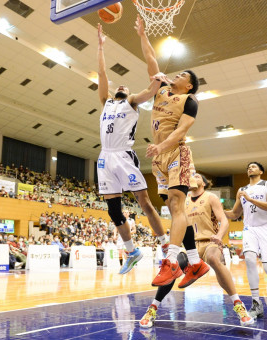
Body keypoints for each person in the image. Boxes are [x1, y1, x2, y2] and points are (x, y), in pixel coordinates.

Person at [135, 16, 207, 286]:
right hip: (160, 158)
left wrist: (161, 146)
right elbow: (151, 63)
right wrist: (143, 35)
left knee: (177, 204)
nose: (176, 75)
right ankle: (196, 263)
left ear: (189, 85)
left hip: (176, 152)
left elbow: (182, 131)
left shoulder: (190, 100)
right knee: (172, 207)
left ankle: (172, 263)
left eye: (182, 76)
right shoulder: (161, 90)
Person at [96, 23, 169, 275]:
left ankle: (165, 247)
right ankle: (131, 251)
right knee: (114, 210)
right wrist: (100, 47)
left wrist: (157, 81)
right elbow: (102, 74)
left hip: (123, 155)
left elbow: (150, 91)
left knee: (145, 202)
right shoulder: (106, 101)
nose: (122, 86)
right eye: (121, 86)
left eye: (126, 86)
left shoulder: (131, 101)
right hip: (105, 157)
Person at [139, 173, 253, 328]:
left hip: (210, 241)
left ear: (204, 183)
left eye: (197, 176)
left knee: (213, 259)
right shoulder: (182, 201)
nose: (193, 176)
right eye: (192, 175)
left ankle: (239, 306)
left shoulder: (210, 197)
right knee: (172, 267)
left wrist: (219, 236)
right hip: (190, 246)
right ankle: (152, 308)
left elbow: (224, 220)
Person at [224, 162, 267, 318]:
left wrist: (250, 199)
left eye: (254, 166)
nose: (250, 168)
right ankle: (256, 304)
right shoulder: (241, 190)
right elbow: (235, 214)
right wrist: (218, 210)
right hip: (250, 229)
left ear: (261, 171)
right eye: (248, 167)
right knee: (249, 259)